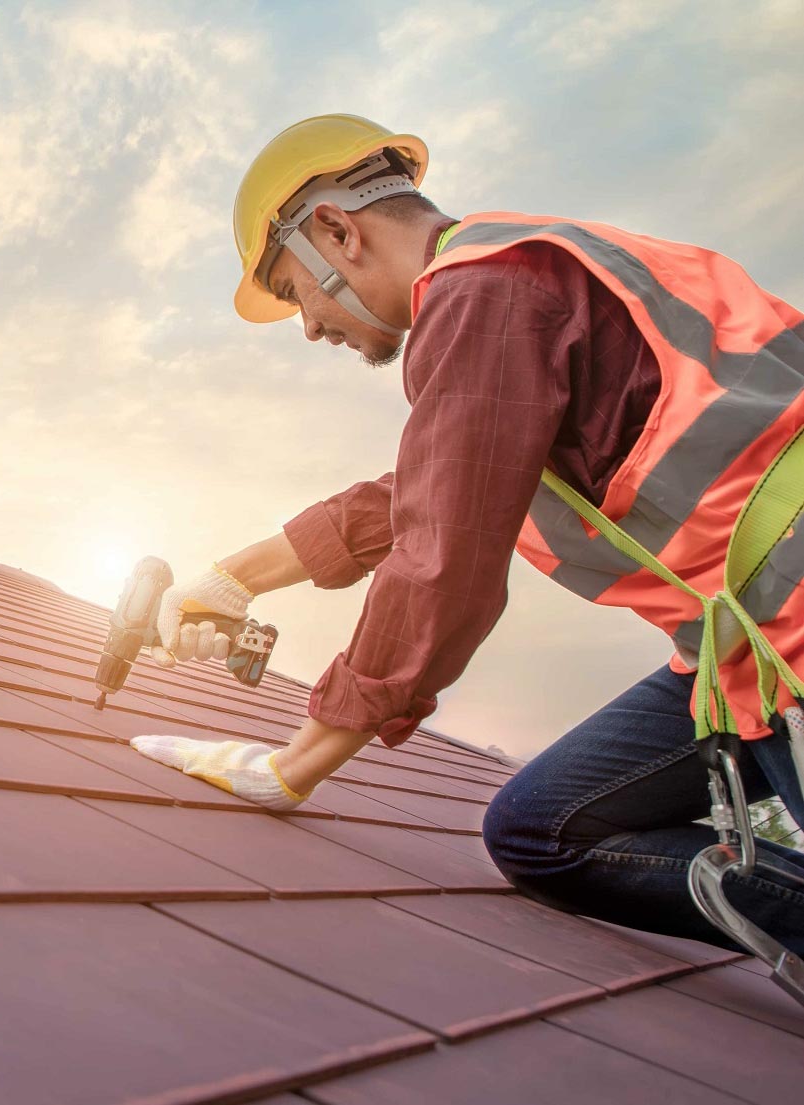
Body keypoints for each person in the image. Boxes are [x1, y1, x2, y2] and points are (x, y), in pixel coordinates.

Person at [130, 113, 804, 953]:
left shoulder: (483, 291)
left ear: (338, 232)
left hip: (790, 626)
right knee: (539, 829)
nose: (307, 327)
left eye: (290, 288)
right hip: (743, 647)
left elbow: (441, 555)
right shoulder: (508, 275)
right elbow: (433, 485)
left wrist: (292, 764)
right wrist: (232, 580)